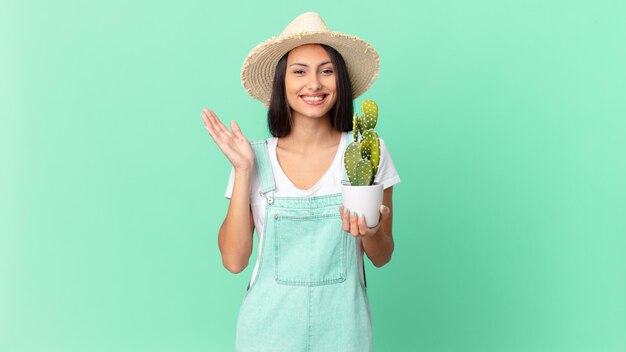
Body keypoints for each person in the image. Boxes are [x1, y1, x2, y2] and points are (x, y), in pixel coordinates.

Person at [202, 12, 400, 352]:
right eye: (299, 72)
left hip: (344, 333)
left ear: (341, 81)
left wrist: (370, 232)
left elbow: (382, 256)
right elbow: (234, 261)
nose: (314, 84)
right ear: (282, 82)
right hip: (266, 334)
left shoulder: (368, 152)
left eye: (327, 71)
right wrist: (243, 170)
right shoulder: (251, 159)